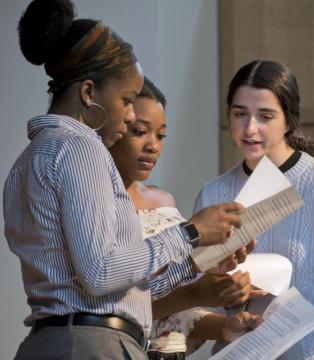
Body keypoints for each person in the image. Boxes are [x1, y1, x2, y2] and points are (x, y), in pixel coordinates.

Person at [3, 1, 246, 359]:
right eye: (127, 99)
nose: (131, 112)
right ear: (88, 93)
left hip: (57, 342)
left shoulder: (26, 160)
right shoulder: (80, 146)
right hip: (92, 345)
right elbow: (101, 272)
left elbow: (111, 290)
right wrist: (189, 233)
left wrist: (196, 259)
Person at [194, 59, 314, 359]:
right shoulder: (212, 195)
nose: (249, 128)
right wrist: (225, 295)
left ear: (289, 120)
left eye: (265, 116)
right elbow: (197, 302)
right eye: (239, 114)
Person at [109, 77, 261, 360]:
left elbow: (179, 316)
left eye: (161, 135)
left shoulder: (165, 202)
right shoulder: (100, 208)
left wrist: (225, 326)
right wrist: (199, 292)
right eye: (140, 131)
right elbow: (123, 306)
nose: (153, 146)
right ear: (115, 127)